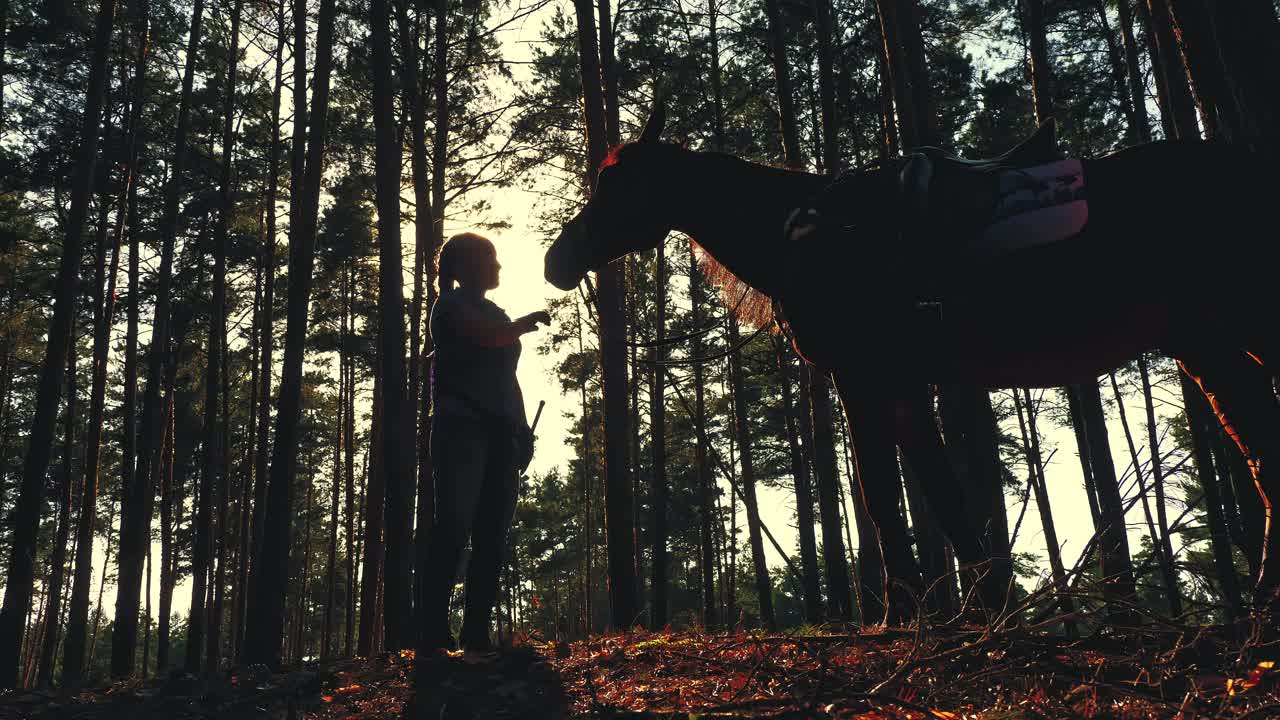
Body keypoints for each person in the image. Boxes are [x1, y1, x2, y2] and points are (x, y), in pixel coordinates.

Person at [419, 232, 550, 653]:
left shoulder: (495, 311)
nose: (497, 267)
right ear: (465, 267)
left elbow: (507, 378)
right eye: (490, 258)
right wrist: (522, 326)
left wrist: (522, 430)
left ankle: (475, 634)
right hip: (461, 429)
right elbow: (487, 338)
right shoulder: (450, 307)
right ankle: (434, 634)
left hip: (500, 433)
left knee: (492, 533)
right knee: (454, 528)